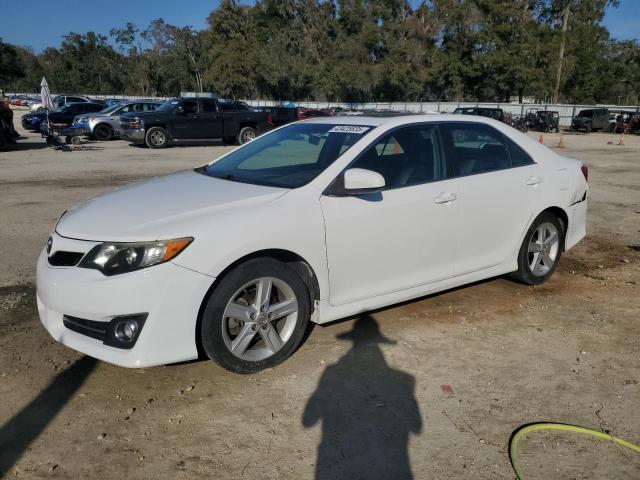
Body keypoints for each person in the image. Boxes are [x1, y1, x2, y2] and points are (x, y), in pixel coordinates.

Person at [303, 316, 422, 480]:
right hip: (389, 466)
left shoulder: (332, 373)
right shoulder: (404, 380)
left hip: (337, 465)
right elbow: (416, 427)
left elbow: (308, 420)